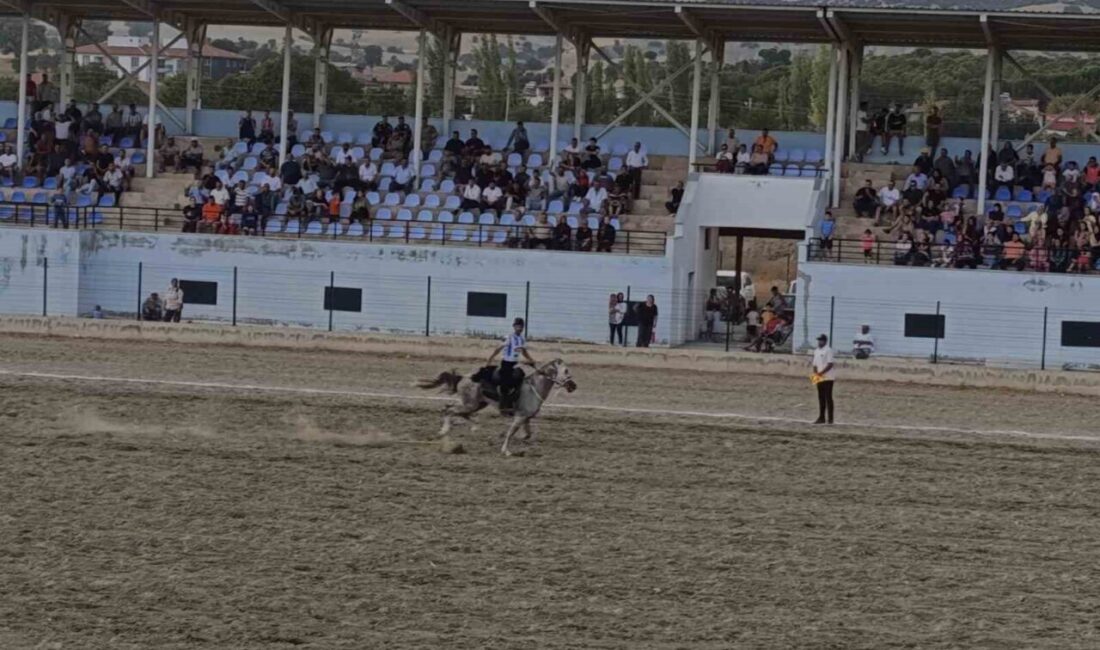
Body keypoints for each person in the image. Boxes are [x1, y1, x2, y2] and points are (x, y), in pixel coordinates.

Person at [487, 317, 536, 412]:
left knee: (521, 378)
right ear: (514, 327)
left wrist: (530, 359)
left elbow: (523, 351)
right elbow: (499, 348)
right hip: (506, 363)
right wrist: (490, 358)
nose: (520, 328)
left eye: (521, 326)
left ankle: (516, 400)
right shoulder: (509, 337)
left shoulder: (522, 338)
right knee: (506, 382)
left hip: (515, 363)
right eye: (518, 326)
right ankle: (503, 405)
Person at [812, 334, 835, 425]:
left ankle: (830, 418)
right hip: (819, 376)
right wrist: (815, 374)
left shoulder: (828, 350)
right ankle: (821, 417)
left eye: (821, 340)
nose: (819, 342)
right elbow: (814, 364)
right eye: (819, 340)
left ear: (825, 341)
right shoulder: (816, 350)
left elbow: (830, 364)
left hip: (828, 377)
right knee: (820, 397)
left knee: (828, 397)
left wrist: (820, 373)